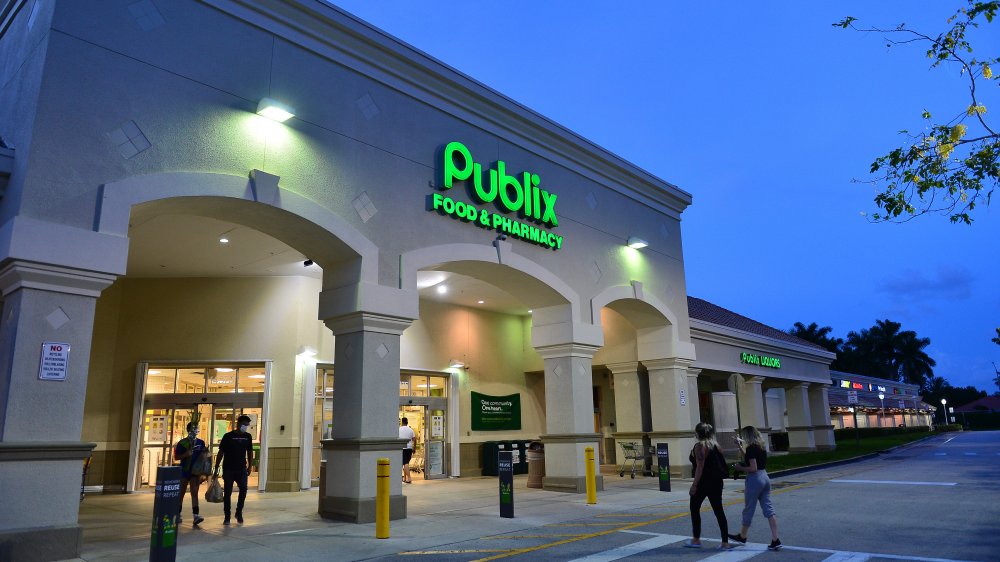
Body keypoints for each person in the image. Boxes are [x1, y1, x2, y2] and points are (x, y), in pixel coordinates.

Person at [728, 425, 781, 551]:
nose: (743, 438)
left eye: (744, 436)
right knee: (768, 509)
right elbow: (750, 459)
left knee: (749, 508)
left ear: (748, 436)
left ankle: (743, 536)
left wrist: (739, 468)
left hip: (755, 479)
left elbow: (752, 468)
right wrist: (739, 446)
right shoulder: (761, 447)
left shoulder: (752, 448)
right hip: (765, 477)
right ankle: (775, 539)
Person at [684, 422, 733, 549]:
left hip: (703, 482)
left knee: (694, 508)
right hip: (717, 482)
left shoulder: (700, 446)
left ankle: (696, 540)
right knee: (719, 511)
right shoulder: (716, 445)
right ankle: (725, 542)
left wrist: (694, 485)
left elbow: (700, 467)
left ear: (697, 433)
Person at [214, 414, 254, 525]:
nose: (246, 426)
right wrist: (216, 467)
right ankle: (227, 516)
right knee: (227, 493)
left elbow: (250, 452)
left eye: (247, 425)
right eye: (244, 424)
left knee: (244, 489)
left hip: (241, 468)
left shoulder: (248, 437)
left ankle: (239, 512)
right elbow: (221, 452)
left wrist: (250, 466)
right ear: (238, 424)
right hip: (228, 469)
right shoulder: (228, 436)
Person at [173, 421, 207, 526]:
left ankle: (196, 515)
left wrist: (204, 471)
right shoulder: (182, 443)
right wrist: (186, 454)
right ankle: (177, 514)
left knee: (194, 492)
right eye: (193, 429)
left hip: (195, 472)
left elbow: (203, 457)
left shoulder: (201, 443)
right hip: (184, 470)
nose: (195, 431)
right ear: (188, 430)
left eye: (196, 429)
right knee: (181, 493)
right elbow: (176, 457)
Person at [399, 417, 415, 484]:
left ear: (402, 422)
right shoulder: (411, 430)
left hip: (402, 448)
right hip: (409, 448)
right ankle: (405, 478)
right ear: (407, 422)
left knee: (405, 463)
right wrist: (414, 448)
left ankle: (409, 478)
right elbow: (414, 439)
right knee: (406, 463)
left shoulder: (399, 429)